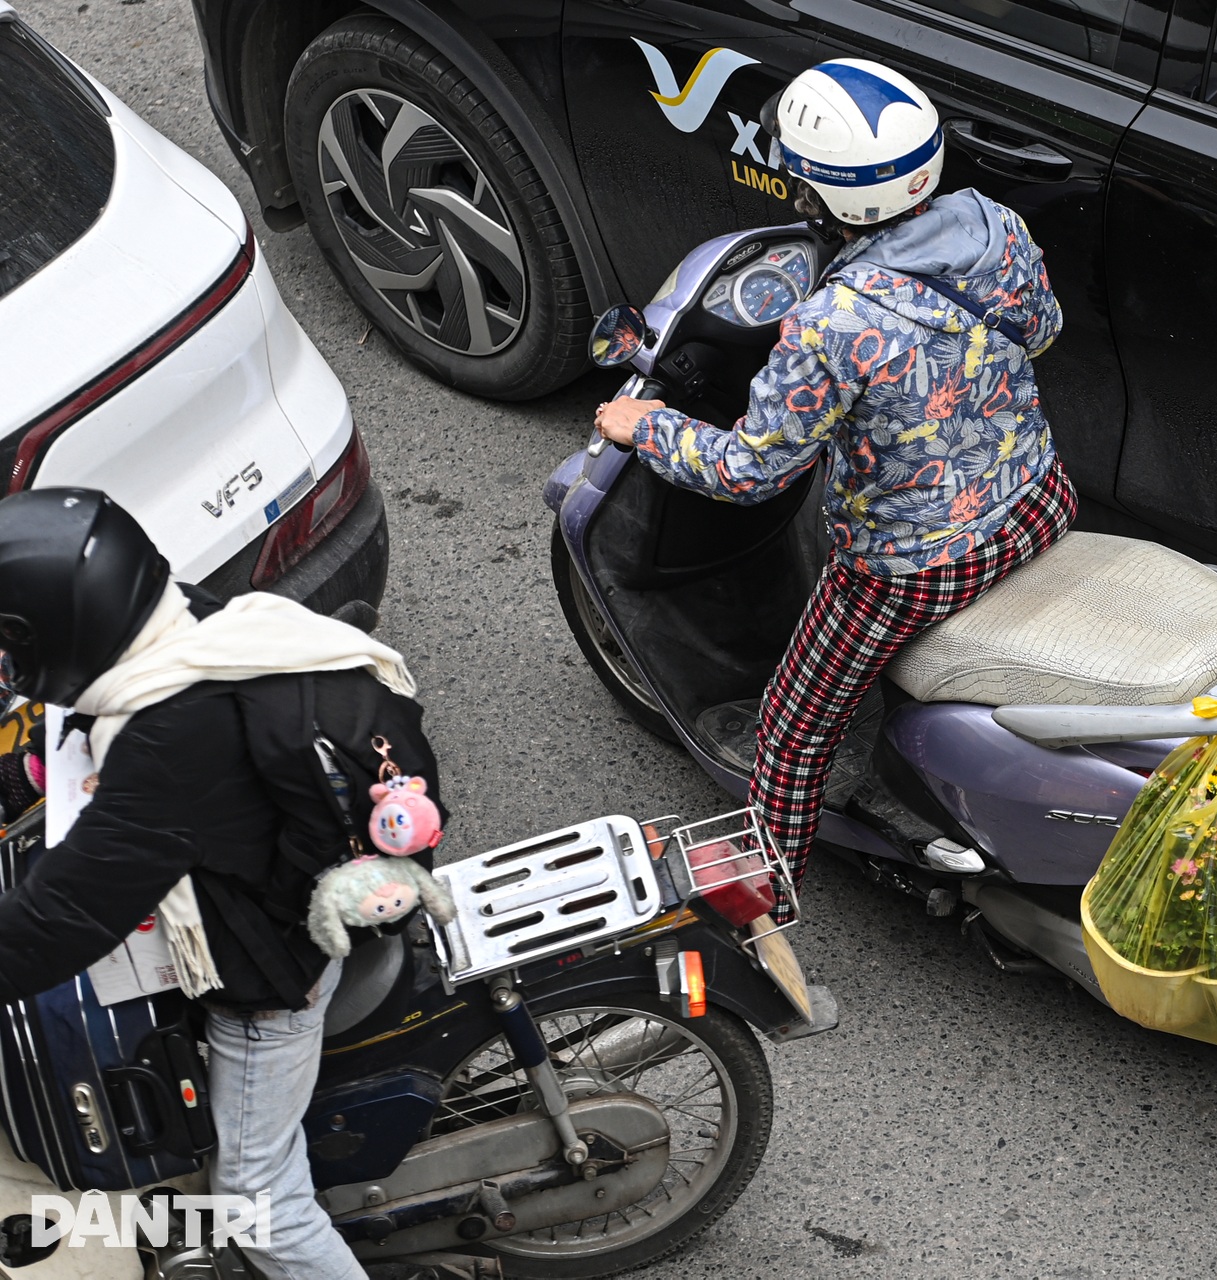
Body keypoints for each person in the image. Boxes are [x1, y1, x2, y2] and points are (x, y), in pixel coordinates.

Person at [593, 59, 1075, 918]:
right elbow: (1041, 332)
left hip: (915, 563)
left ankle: (767, 908)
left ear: (821, 189)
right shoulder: (994, 223)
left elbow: (750, 471)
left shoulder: (832, 323)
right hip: (1037, 497)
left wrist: (647, 427)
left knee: (792, 728)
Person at [0, 490, 483, 1280]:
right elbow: (83, 745)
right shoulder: (179, 624)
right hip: (274, 872)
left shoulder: (166, 737)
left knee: (258, 1203)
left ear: (68, 629)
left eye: (15, 643)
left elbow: (67, 915)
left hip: (273, 977)